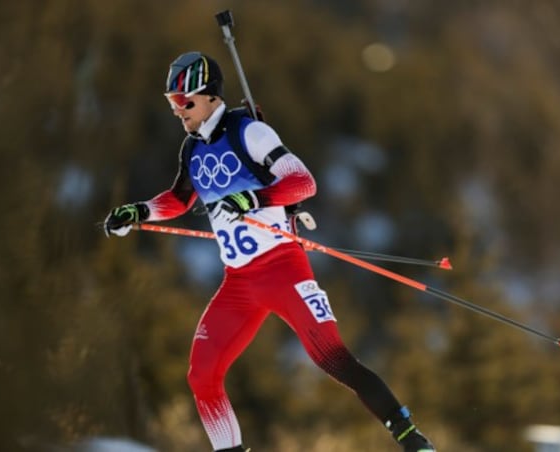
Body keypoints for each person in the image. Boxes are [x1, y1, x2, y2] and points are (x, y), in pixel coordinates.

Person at [104, 51, 437, 452]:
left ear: (209, 97)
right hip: (238, 282)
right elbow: (179, 199)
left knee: (334, 359)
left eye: (184, 102)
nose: (178, 112)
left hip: (283, 270)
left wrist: (252, 198)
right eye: (172, 103)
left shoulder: (250, 132)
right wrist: (139, 211)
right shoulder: (192, 149)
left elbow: (303, 183)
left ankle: (411, 439)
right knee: (202, 376)